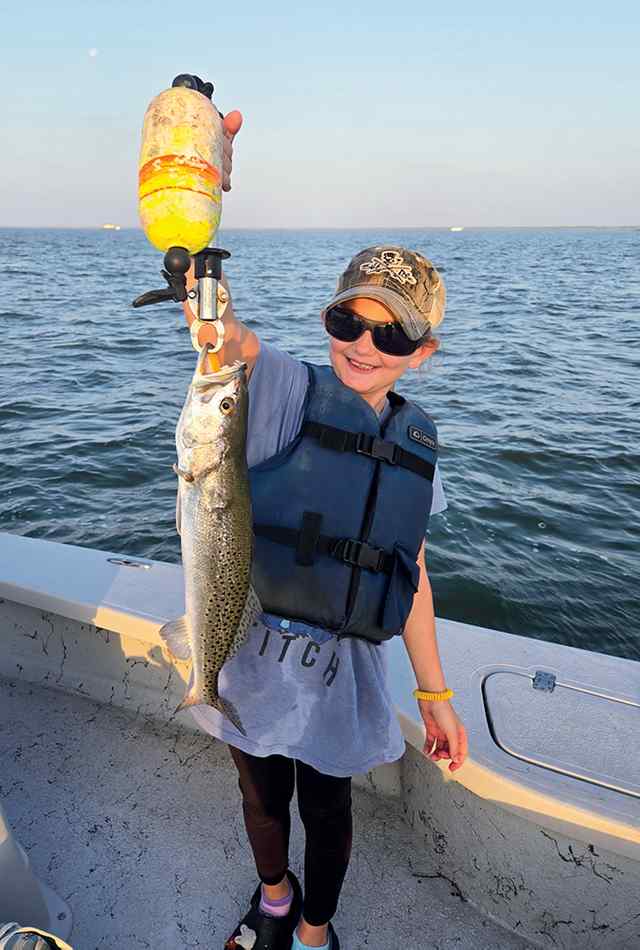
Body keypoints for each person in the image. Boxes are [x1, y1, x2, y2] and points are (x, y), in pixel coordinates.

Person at [178, 110, 469, 950]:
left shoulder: (417, 450)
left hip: (345, 673)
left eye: (393, 332)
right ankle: (274, 899)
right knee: (261, 797)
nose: (365, 344)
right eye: (349, 322)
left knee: (328, 806)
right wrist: (204, 201)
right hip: (250, 649)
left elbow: (408, 569)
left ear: (425, 352)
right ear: (328, 324)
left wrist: (436, 692)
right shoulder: (278, 394)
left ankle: (314, 928)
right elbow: (224, 344)